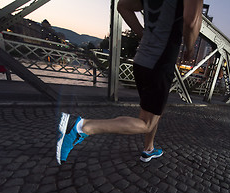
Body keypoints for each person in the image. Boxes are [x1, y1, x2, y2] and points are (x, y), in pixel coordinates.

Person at [56, 0, 203, 164]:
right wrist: (190, 50)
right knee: (147, 123)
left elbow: (123, 6)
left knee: (151, 111)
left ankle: (149, 148)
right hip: (161, 62)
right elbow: (191, 22)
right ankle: (82, 127)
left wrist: (144, 34)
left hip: (142, 60)